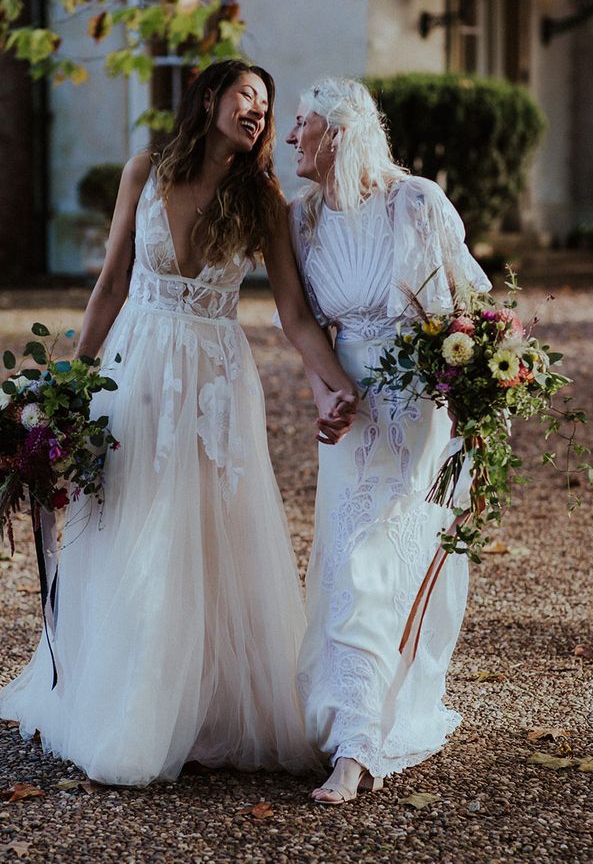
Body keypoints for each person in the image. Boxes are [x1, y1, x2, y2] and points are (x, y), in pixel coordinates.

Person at [0, 60, 358, 787]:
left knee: (206, 531)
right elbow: (109, 285)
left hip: (216, 381)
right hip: (137, 365)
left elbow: (294, 316)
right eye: (247, 95)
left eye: (267, 101)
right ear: (209, 99)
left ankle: (202, 708)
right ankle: (127, 702)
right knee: (127, 518)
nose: (259, 110)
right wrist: (71, 381)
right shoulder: (146, 171)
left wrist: (338, 382)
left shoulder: (263, 196)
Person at [286, 77, 492, 804]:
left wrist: (474, 402)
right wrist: (323, 396)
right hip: (350, 415)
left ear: (338, 134)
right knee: (345, 562)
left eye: (301, 125)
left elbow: (472, 308)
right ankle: (352, 716)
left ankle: (358, 743)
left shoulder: (418, 203)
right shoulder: (301, 219)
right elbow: (306, 330)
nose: (289, 140)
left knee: (381, 562)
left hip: (416, 411)